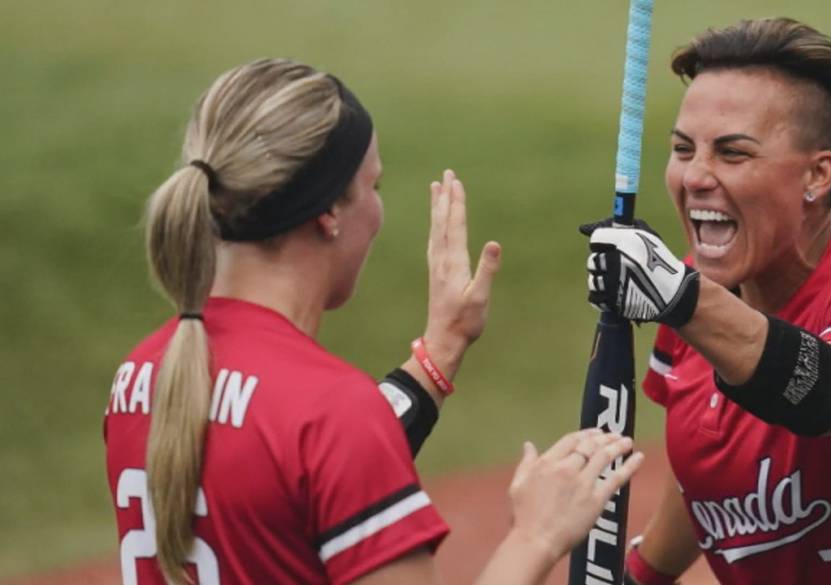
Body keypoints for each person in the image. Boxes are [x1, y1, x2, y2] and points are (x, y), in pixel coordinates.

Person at [104, 58, 644, 585]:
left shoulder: (144, 376)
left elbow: (289, 474)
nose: (379, 213)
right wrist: (536, 536)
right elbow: (319, 439)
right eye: (374, 187)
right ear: (328, 213)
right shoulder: (332, 410)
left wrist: (443, 346)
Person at [581, 18, 831, 584]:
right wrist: (641, 577)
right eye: (682, 149)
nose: (696, 176)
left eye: (733, 153)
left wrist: (680, 297)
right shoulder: (693, 306)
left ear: (817, 174)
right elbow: (707, 466)